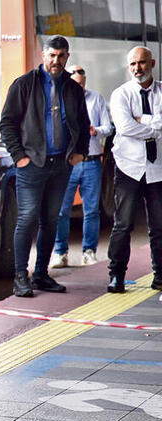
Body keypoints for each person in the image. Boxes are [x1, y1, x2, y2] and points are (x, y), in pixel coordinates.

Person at [0, 35, 91, 297]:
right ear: (43, 55)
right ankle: (20, 276)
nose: (56, 60)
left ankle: (41, 274)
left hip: (61, 164)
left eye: (61, 56)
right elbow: (7, 123)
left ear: (67, 57)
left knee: (51, 219)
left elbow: (83, 125)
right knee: (27, 219)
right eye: (52, 55)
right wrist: (19, 156)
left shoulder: (73, 89)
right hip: (31, 165)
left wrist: (80, 153)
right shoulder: (24, 85)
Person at [105, 46, 162, 293]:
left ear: (153, 63)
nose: (137, 68)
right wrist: (154, 126)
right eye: (132, 64)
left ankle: (160, 275)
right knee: (123, 223)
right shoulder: (121, 94)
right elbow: (125, 127)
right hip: (128, 167)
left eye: (142, 63)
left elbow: (134, 125)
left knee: (159, 226)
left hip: (158, 169)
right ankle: (116, 275)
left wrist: (142, 121)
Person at [49, 65, 113, 268]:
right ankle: (60, 253)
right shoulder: (59, 99)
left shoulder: (96, 99)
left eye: (81, 83)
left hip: (92, 161)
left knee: (92, 210)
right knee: (61, 210)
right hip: (69, 163)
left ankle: (89, 251)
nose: (78, 88)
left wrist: (96, 131)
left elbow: (108, 127)